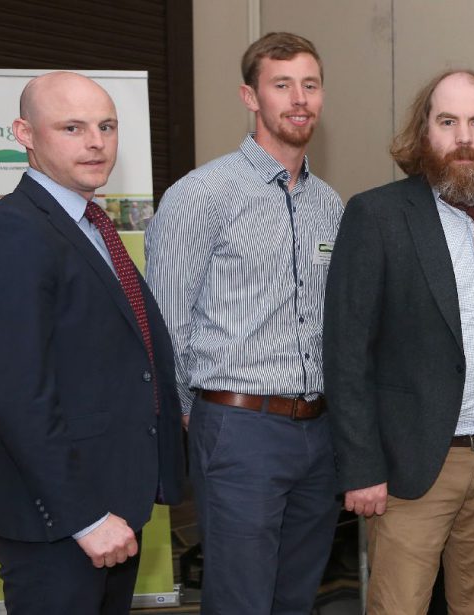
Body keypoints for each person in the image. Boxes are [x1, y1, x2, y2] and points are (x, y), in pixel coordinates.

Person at [0, 71, 184, 614]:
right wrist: (84, 516)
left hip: (113, 506)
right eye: (72, 127)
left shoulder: (91, 224)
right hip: (61, 521)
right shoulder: (12, 231)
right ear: (25, 133)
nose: (96, 142)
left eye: (107, 126)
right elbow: (20, 395)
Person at [144, 32, 343, 614]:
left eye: (309, 85)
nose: (298, 99)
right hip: (238, 427)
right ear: (250, 97)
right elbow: (165, 327)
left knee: (297, 597)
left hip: (318, 432)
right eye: (281, 85)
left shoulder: (330, 204)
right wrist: (196, 418)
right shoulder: (199, 195)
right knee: (240, 601)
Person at [324, 69, 474, 614]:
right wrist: (362, 467)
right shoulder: (377, 215)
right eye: (448, 122)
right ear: (425, 134)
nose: (464, 137)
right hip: (412, 464)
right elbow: (345, 354)